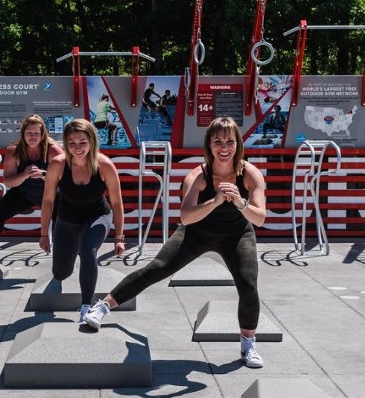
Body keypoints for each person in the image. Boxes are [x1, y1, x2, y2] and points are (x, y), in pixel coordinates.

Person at [84, 116, 267, 368]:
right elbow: (185, 216)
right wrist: (214, 201)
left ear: (238, 144)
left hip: (237, 234)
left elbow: (259, 218)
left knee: (248, 284)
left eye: (229, 142)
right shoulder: (198, 176)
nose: (224, 148)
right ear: (209, 145)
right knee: (157, 268)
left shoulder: (250, 174)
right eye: (218, 142)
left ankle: (248, 344)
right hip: (197, 231)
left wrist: (240, 203)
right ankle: (102, 306)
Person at [39, 118, 125, 324]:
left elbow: (116, 202)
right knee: (61, 272)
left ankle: (86, 307)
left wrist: (119, 237)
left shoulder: (104, 165)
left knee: (88, 250)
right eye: (72, 143)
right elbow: (48, 200)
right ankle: (66, 264)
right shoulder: (58, 164)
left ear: (92, 141)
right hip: (67, 218)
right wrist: (43, 234)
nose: (77, 148)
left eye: (82, 142)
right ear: (65, 143)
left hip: (97, 216)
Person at [0, 114, 63, 265]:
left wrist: (44, 174)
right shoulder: (14, 150)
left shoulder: (53, 150)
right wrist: (24, 175)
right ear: (23, 134)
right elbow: (8, 181)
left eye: (36, 133)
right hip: (24, 193)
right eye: (29, 133)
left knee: (64, 221)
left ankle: (66, 251)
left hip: (51, 194)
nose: (32, 137)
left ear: (43, 134)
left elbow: (65, 179)